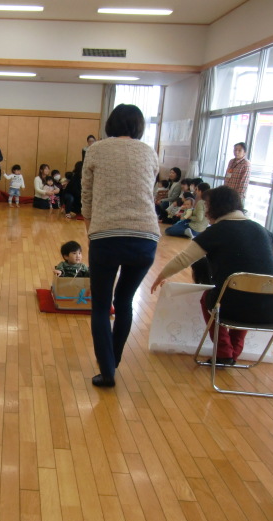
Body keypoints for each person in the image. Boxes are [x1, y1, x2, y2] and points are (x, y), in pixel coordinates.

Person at [151, 186, 273, 365]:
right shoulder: (262, 230)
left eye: (207, 206)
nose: (205, 213)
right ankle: (233, 353)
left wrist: (161, 275)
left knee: (213, 299)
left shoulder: (216, 232)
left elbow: (184, 259)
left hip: (232, 307)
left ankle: (224, 351)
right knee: (245, 296)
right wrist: (265, 281)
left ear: (216, 207)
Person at [81, 104, 161, 388]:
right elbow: (147, 191)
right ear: (139, 126)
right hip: (146, 238)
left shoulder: (96, 150)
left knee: (101, 307)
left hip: (106, 236)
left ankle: (107, 372)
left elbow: (86, 197)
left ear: (111, 124)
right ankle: (114, 359)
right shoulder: (149, 152)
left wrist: (92, 231)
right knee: (124, 300)